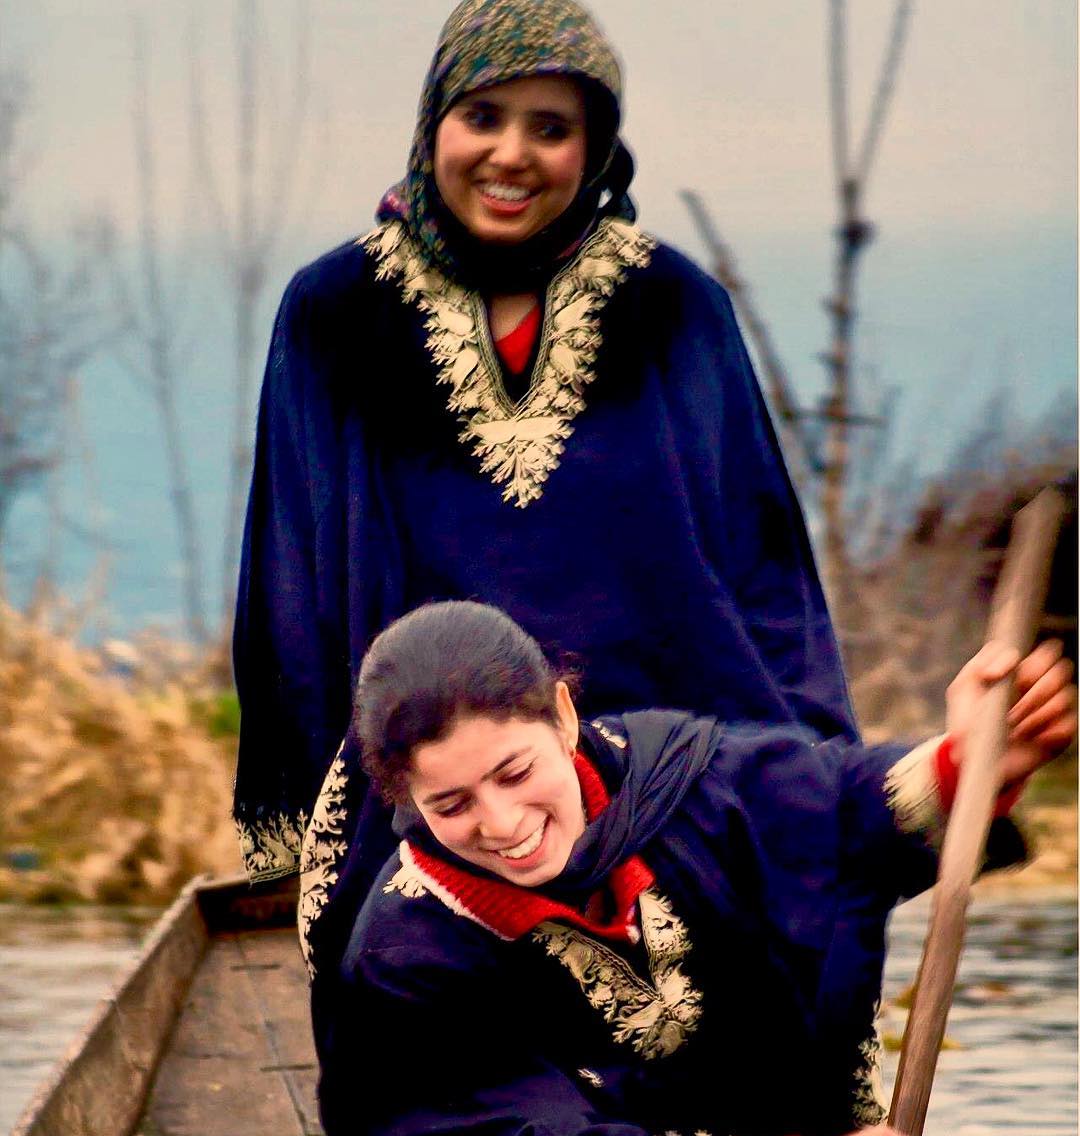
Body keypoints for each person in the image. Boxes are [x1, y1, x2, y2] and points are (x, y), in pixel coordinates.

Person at [232, 0, 858, 988]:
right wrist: (308, 814)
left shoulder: (673, 307)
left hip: (665, 781)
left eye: (552, 128)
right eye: (484, 117)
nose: (512, 155)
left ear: (598, 146)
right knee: (466, 1103)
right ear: (435, 117)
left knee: (723, 1068)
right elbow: (292, 580)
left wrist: (820, 776)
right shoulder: (337, 311)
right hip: (432, 792)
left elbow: (763, 563)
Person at [302, 600, 1075, 1136]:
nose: (502, 826)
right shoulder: (404, 951)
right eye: (452, 803)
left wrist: (967, 764)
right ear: (407, 801)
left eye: (513, 772)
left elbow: (836, 815)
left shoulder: (680, 780)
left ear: (564, 718)